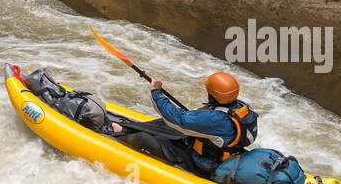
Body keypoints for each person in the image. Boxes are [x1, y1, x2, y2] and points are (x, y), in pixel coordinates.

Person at [110, 71, 258, 175]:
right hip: (215, 150)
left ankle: (111, 136)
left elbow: (177, 119)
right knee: (164, 124)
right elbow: (201, 119)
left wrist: (156, 91)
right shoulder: (241, 107)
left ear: (213, 94)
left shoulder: (216, 119)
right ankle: (124, 128)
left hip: (204, 164)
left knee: (144, 139)